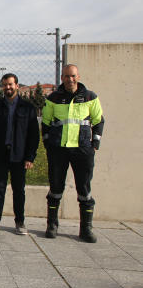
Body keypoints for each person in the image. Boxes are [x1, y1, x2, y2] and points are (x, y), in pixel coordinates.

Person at [42, 64, 104, 243]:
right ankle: (52, 225)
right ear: (62, 78)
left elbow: (98, 120)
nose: (70, 80)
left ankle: (86, 228)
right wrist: (48, 143)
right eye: (67, 76)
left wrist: (95, 142)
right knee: (55, 187)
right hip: (58, 149)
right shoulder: (54, 97)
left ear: (78, 76)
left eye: (73, 76)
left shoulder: (90, 97)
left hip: (82, 149)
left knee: (84, 189)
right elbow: (45, 122)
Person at [0, 73, 39, 235]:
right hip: (0, 154)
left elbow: (33, 134)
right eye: (5, 85)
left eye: (10, 84)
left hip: (20, 156)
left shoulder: (27, 108)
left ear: (17, 86)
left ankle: (20, 222)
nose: (8, 87)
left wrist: (30, 156)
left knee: (19, 190)